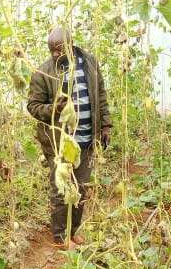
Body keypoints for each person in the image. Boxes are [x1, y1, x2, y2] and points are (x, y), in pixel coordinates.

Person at [27, 27, 112, 250]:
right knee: (61, 187)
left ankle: (73, 231)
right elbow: (33, 106)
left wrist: (105, 125)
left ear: (71, 44)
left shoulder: (90, 63)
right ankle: (60, 235)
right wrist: (53, 109)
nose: (55, 55)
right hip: (58, 141)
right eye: (51, 51)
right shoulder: (44, 72)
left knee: (80, 187)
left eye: (59, 50)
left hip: (85, 138)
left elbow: (100, 94)